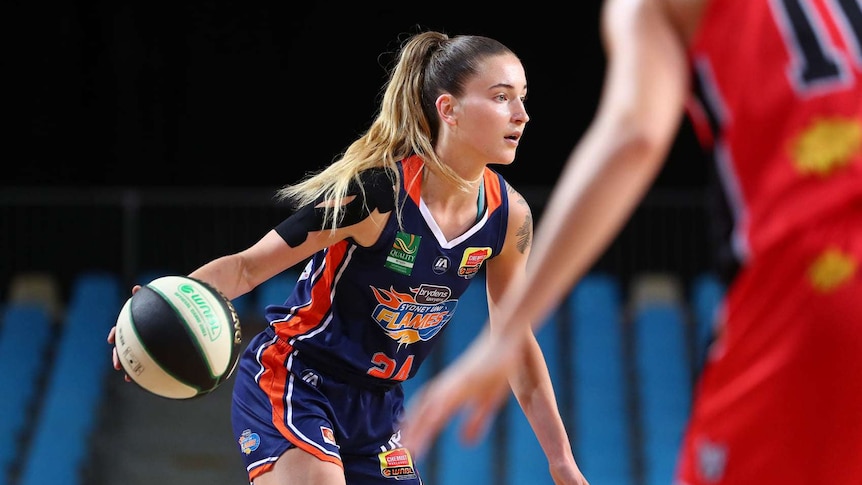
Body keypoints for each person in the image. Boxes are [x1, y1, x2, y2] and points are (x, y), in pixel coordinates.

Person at [400, 1, 862, 484]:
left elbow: (634, 135)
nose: (521, 115)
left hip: (816, 275)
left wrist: (509, 333)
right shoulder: (375, 194)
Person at [107, 30, 588, 485]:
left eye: (523, 97)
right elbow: (247, 266)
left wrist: (561, 460)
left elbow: (514, 339)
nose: (522, 114)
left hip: (378, 408)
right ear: (450, 109)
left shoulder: (510, 217)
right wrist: (161, 307)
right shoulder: (376, 194)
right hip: (296, 377)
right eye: (502, 96)